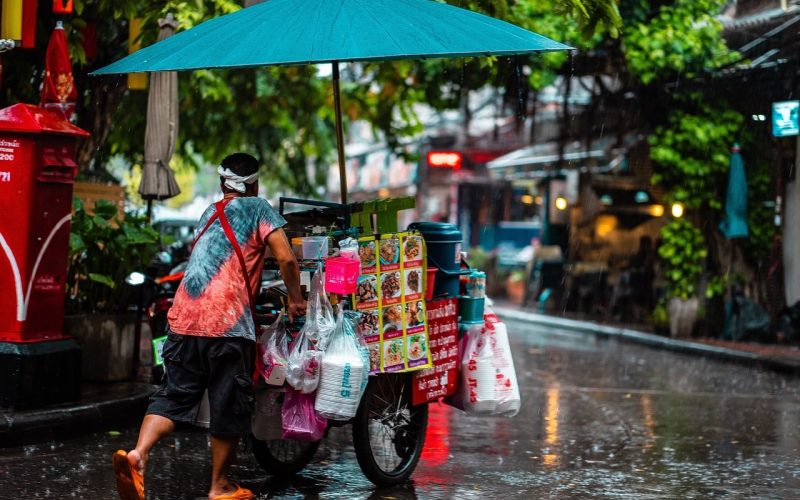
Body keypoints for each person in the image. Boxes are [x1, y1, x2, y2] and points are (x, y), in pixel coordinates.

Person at [112, 153, 306, 500]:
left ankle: (138, 455)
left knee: (173, 396)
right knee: (228, 404)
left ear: (221, 184)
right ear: (255, 184)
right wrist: (295, 299)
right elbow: (287, 258)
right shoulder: (259, 208)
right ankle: (220, 486)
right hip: (226, 325)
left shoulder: (208, 213)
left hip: (184, 318)